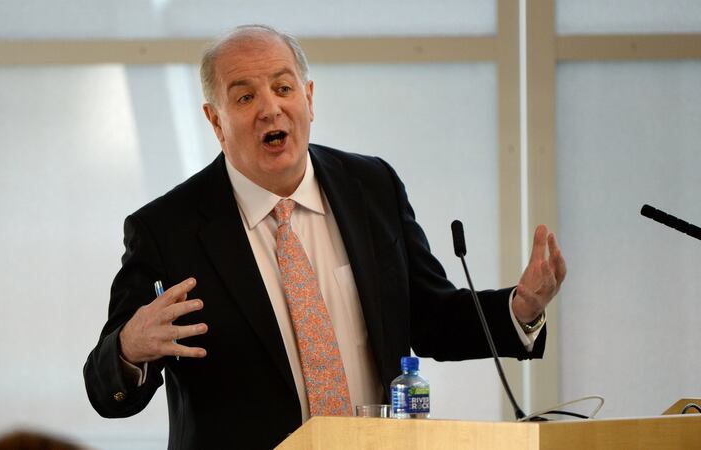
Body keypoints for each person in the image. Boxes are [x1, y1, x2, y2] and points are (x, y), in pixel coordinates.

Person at [84, 24, 566, 450]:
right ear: (215, 120)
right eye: (245, 96)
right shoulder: (167, 229)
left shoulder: (372, 188)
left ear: (309, 97)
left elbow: (429, 315)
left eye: (283, 87)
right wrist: (128, 348)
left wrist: (519, 310)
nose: (270, 108)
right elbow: (107, 392)